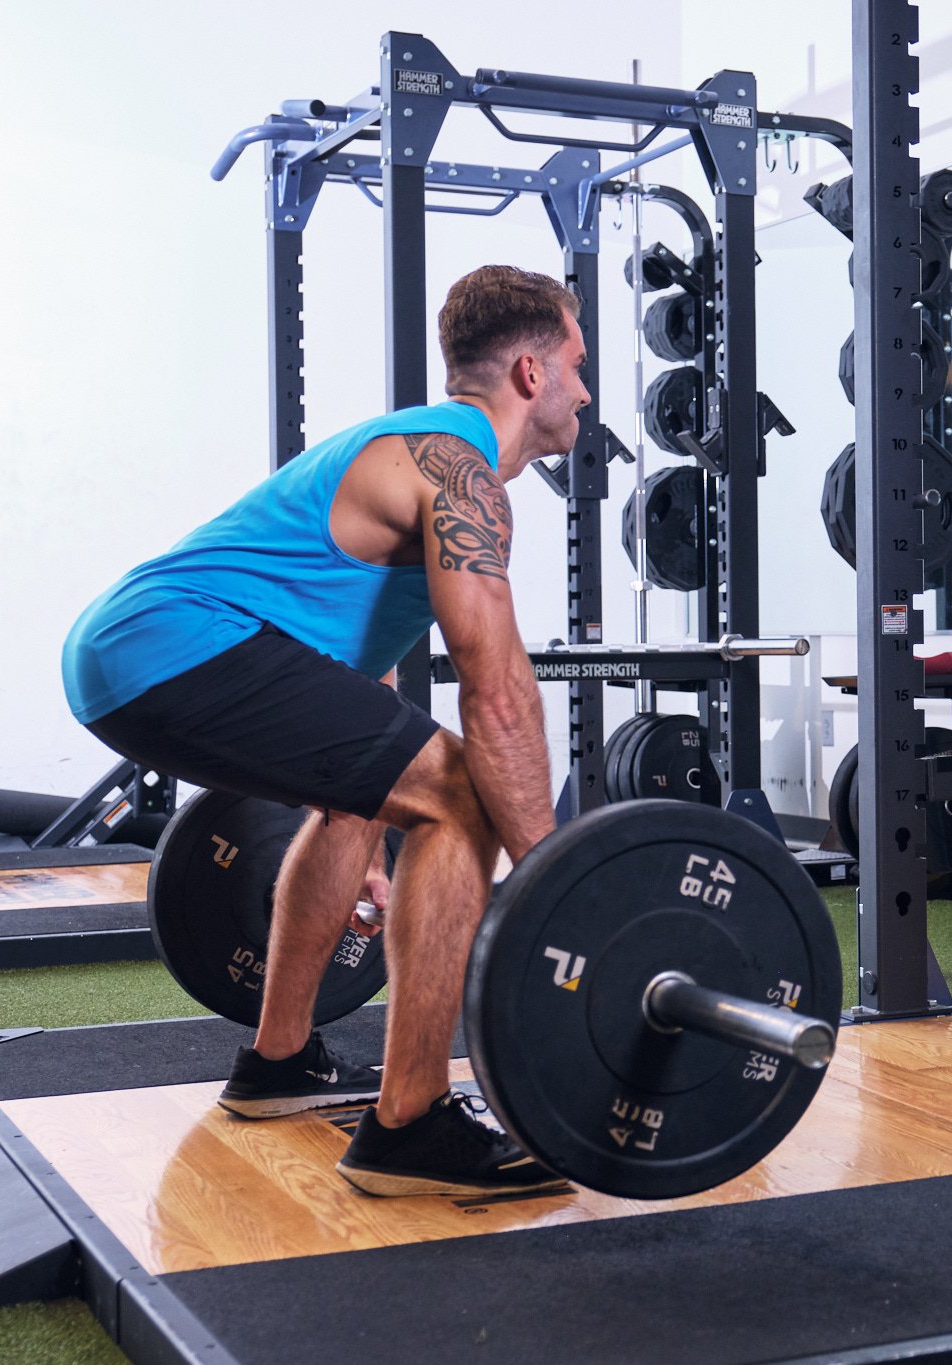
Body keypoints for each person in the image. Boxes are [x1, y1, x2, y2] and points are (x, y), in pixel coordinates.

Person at [62, 265, 586, 1197]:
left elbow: (354, 667)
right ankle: (411, 1121)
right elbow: (498, 694)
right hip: (173, 639)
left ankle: (278, 1061)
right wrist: (557, 882)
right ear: (532, 375)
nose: (586, 392)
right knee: (460, 791)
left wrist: (368, 808)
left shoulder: (408, 450)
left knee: (377, 798)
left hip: (126, 649)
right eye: (578, 367)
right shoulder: (459, 470)